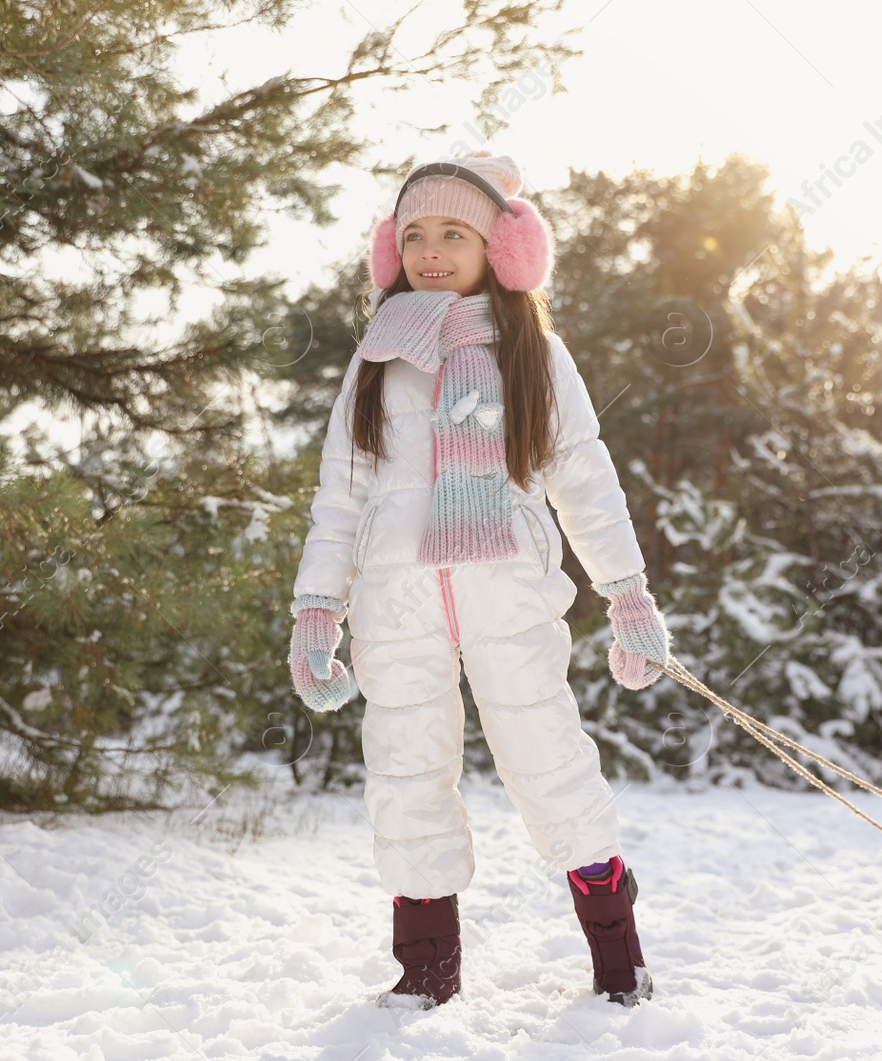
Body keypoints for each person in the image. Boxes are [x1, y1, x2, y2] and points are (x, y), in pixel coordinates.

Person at [286, 150, 672, 1009]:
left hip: (509, 592)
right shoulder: (377, 358)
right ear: (392, 251)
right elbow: (340, 497)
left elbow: (584, 476)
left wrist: (626, 591)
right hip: (398, 602)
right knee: (405, 770)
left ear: (501, 247)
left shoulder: (532, 351)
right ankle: (425, 968)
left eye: (453, 232)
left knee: (550, 763)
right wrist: (320, 608)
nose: (431, 249)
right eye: (414, 233)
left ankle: (617, 951)